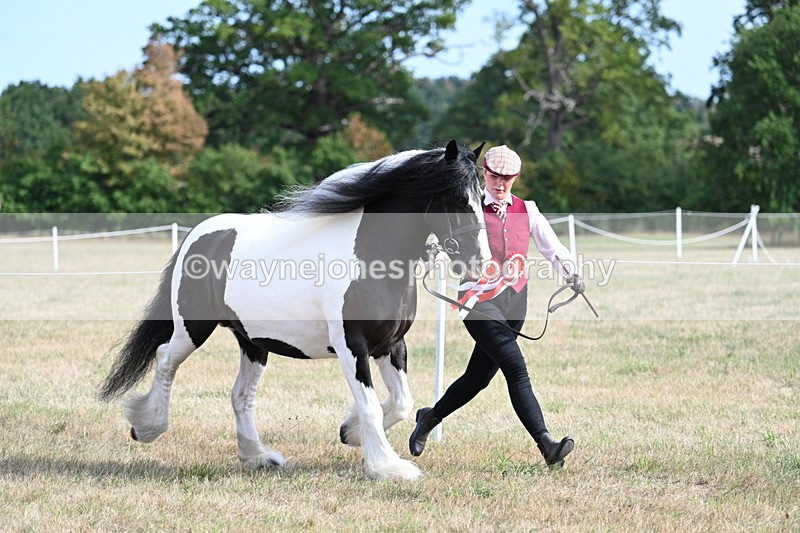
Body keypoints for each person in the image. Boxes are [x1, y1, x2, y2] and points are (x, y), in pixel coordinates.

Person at [410, 145, 583, 467]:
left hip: (515, 302)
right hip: (478, 300)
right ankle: (547, 444)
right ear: (484, 173)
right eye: (494, 176)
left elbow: (552, 247)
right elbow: (445, 241)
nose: (500, 184)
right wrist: (432, 255)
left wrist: (571, 273)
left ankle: (429, 418)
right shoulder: (469, 205)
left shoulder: (527, 209)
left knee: (477, 378)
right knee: (516, 369)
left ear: (516, 177)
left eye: (507, 178)